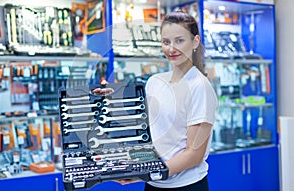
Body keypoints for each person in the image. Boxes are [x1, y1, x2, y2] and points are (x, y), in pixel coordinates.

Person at [93, 10, 218, 191]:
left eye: (179, 40)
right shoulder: (156, 81)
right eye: (166, 42)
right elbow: (153, 135)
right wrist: (113, 95)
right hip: (154, 184)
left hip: (186, 186)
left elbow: (194, 155)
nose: (171, 48)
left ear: (195, 42)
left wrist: (145, 172)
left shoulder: (200, 88)